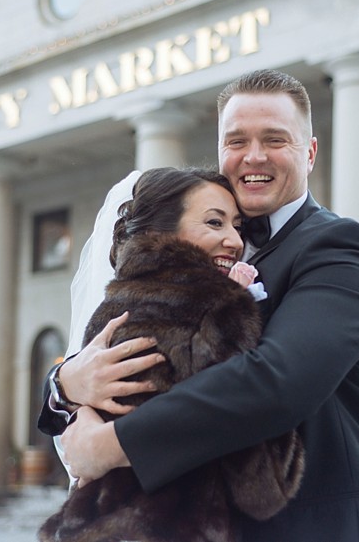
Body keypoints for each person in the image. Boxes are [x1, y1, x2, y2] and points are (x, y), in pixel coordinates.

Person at [41, 69, 359, 541]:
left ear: (309, 153)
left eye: (275, 139)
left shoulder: (340, 247)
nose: (254, 156)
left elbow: (277, 381)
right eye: (237, 141)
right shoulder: (191, 256)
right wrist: (66, 381)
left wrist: (110, 446)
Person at [39, 166, 304, 541]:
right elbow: (262, 487)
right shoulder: (221, 313)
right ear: (161, 232)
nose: (233, 240)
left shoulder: (111, 309)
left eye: (238, 227)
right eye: (215, 223)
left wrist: (64, 386)